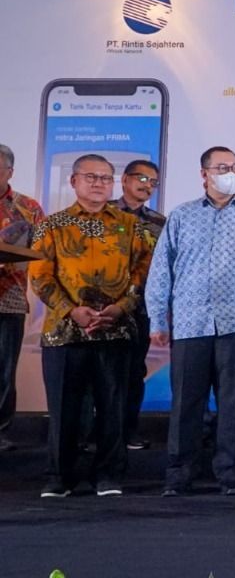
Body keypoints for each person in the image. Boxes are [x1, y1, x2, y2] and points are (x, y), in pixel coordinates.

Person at [146, 147, 235, 497]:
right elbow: (161, 271)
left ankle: (230, 477)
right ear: (204, 174)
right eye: (222, 167)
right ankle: (179, 477)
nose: (230, 173)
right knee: (186, 403)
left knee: (234, 404)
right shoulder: (182, 216)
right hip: (190, 322)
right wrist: (157, 320)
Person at [29, 154, 152, 497]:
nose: (99, 183)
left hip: (116, 329)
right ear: (74, 181)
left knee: (113, 407)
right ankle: (59, 477)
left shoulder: (131, 226)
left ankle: (109, 476)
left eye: (105, 178)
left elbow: (144, 271)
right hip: (64, 332)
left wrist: (122, 307)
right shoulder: (52, 225)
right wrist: (71, 311)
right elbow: (39, 276)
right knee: (64, 409)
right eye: (91, 177)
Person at [112, 159, 166, 451]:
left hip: (140, 308)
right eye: (142, 179)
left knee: (134, 372)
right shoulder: (104, 213)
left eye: (153, 182)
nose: (147, 186)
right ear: (124, 179)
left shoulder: (159, 222)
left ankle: (128, 430)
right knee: (99, 373)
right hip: (103, 308)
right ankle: (92, 433)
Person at [0, 143, 45, 452]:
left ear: (10, 172)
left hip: (10, 298)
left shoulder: (28, 207)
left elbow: (43, 249)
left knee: (4, 369)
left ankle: (1, 430)